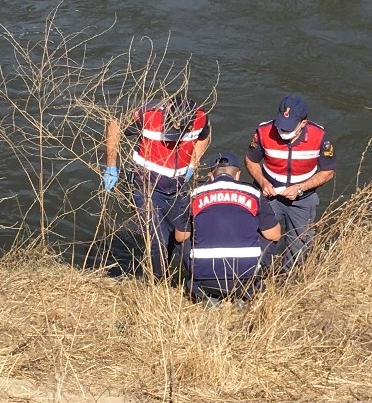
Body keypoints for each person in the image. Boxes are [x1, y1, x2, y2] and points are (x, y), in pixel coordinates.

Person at [103, 95, 211, 278]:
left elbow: (205, 135)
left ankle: (192, 280)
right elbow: (115, 126)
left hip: (178, 188)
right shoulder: (148, 115)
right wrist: (111, 166)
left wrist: (193, 163)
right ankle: (156, 281)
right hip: (145, 186)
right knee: (157, 239)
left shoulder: (200, 117)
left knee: (181, 238)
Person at [172, 152, 281, 302]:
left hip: (206, 280)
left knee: (182, 237)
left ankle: (197, 287)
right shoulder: (254, 194)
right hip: (245, 279)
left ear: (211, 176)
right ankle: (254, 283)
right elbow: (274, 235)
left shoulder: (193, 195)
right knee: (268, 233)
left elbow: (180, 237)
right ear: (237, 176)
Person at [244, 94, 335, 272]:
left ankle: (286, 282)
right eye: (281, 126)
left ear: (303, 123)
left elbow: (328, 171)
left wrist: (301, 188)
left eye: (288, 128)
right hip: (268, 196)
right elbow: (251, 161)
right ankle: (256, 277)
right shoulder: (263, 132)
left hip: (302, 199)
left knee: (300, 244)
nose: (283, 132)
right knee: (260, 238)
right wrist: (262, 182)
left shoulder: (319, 137)